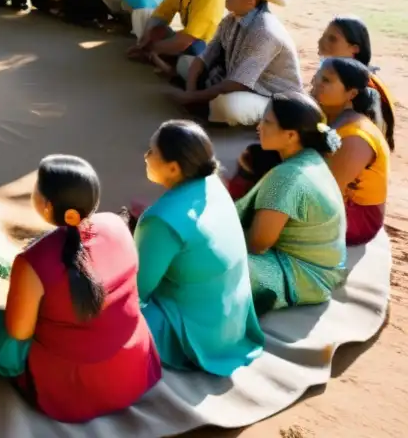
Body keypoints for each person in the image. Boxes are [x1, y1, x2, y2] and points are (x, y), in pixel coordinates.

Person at [0, 155, 161, 423]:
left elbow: (19, 331)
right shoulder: (117, 225)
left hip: (73, 388)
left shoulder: (33, 261)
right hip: (132, 371)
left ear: (47, 206)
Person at [134, 121, 264, 375]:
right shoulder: (213, 184)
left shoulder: (161, 220)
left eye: (151, 151)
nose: (145, 156)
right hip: (231, 323)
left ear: (173, 168)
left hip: (195, 332)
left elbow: (137, 290)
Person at [235, 93, 347, 313]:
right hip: (322, 271)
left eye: (267, 122)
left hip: (302, 277)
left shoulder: (287, 176)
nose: (259, 127)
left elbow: (258, 244)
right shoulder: (311, 159)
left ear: (291, 135)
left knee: (207, 261)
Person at [172, 0, 302, 126]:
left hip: (272, 97)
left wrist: (193, 97)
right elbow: (204, 57)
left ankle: (266, 121)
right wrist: (190, 91)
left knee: (228, 106)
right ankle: (204, 103)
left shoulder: (266, 32)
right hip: (237, 82)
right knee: (186, 64)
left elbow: (238, 84)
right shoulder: (231, 19)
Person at [311, 58, 393, 246]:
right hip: (335, 202)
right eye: (318, 76)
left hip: (358, 218)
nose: (317, 82)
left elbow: (326, 193)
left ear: (351, 93)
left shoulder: (356, 137)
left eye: (327, 80)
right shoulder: (326, 116)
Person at [317, 16, 396, 138]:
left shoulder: (366, 87)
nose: (321, 42)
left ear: (354, 49)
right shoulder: (333, 74)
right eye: (324, 36)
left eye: (332, 39)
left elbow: (370, 137)